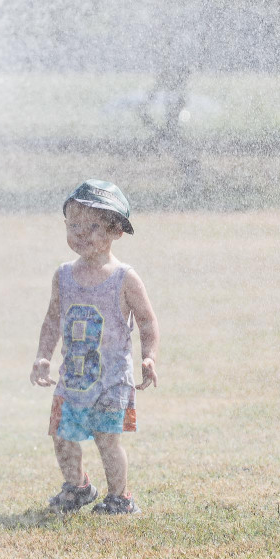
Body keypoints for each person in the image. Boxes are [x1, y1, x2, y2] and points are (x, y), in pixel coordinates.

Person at [30, 180, 160, 514]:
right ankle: (77, 487)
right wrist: (44, 356)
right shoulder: (63, 276)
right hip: (73, 378)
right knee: (62, 435)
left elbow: (146, 320)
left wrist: (148, 357)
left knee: (107, 440)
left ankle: (120, 497)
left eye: (93, 227)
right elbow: (52, 319)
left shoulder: (124, 278)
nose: (81, 234)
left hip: (110, 381)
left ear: (116, 231)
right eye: (73, 225)